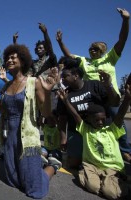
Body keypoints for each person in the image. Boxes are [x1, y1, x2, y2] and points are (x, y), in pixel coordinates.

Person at [0, 44, 60, 198]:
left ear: (23, 60)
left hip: (28, 138)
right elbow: (4, 110)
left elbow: (45, 112)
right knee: (14, 181)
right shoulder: (6, 87)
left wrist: (48, 91)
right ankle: (38, 166)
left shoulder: (33, 82)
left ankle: (52, 166)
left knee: (34, 189)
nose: (9, 60)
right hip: (10, 138)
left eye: (13, 57)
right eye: (7, 58)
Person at [56, 8, 131, 163]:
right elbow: (69, 55)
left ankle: (124, 151)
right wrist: (60, 42)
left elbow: (122, 40)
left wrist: (125, 20)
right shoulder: (84, 61)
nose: (91, 50)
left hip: (109, 96)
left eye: (95, 49)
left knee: (117, 122)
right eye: (90, 48)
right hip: (92, 97)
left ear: (102, 51)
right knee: (91, 126)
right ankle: (92, 152)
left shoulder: (110, 58)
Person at [57, 82, 131, 199]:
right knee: (93, 187)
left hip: (112, 167)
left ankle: (116, 181)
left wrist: (127, 98)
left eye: (102, 119)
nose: (100, 123)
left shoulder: (112, 129)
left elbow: (120, 114)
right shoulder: (85, 129)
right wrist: (66, 101)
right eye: (96, 120)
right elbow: (75, 114)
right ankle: (101, 180)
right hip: (92, 167)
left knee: (110, 193)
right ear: (89, 119)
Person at [56, 57, 120, 168]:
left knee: (102, 163)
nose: (62, 80)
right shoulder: (65, 94)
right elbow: (62, 118)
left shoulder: (95, 85)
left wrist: (108, 86)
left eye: (65, 76)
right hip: (78, 132)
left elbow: (115, 103)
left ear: (76, 76)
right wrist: (63, 137)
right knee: (73, 164)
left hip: (100, 131)